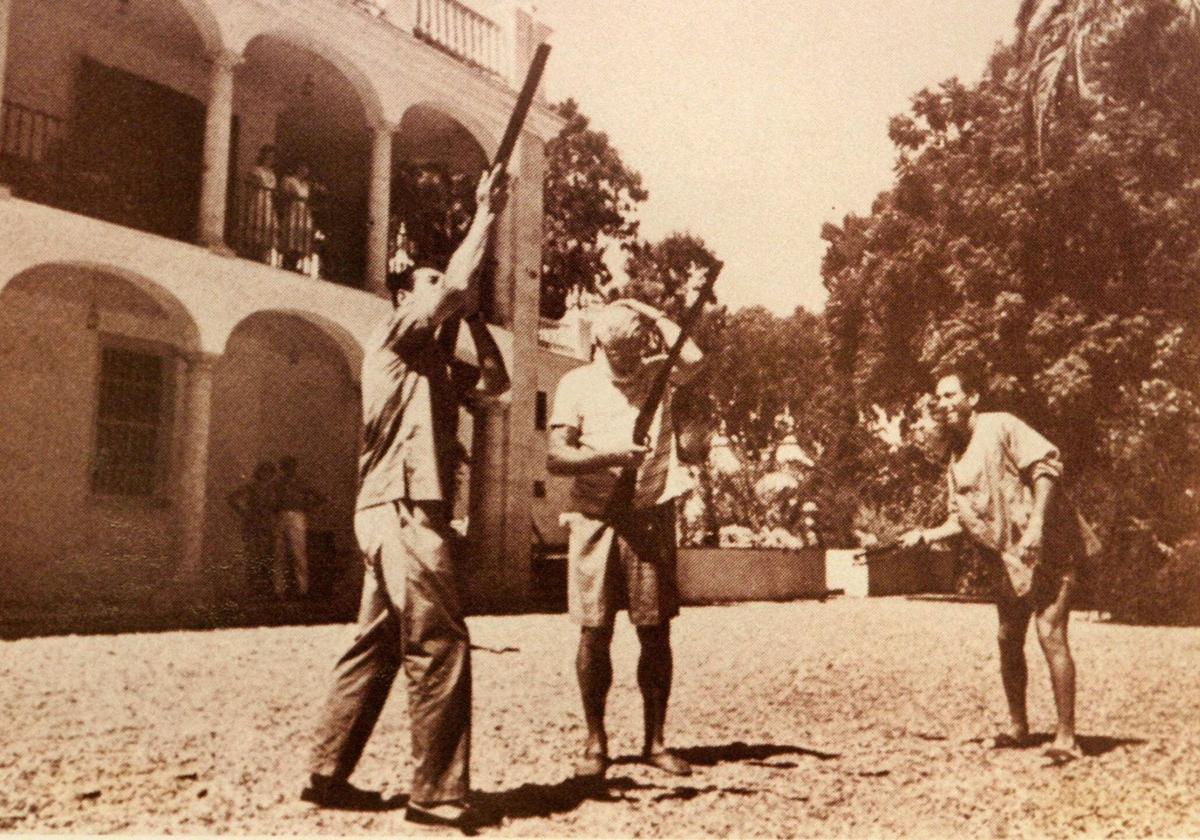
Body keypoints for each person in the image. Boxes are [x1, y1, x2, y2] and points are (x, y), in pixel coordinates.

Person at [302, 164, 508, 830]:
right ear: (402, 298)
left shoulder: (438, 369)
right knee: (440, 642)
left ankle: (327, 773)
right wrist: (485, 211)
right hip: (403, 509)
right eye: (427, 284)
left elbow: (498, 385)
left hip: (393, 511)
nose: (444, 293)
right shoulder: (391, 339)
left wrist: (473, 321)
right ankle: (437, 794)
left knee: (378, 643)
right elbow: (451, 286)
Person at [897, 370, 1100, 765]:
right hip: (1012, 560)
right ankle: (1019, 727)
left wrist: (1038, 524)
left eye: (952, 394)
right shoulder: (955, 462)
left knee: (1049, 633)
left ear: (972, 397)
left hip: (1053, 545)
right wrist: (925, 534)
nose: (944, 402)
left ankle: (1066, 738)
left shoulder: (1002, 425)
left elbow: (1046, 467)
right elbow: (961, 520)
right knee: (1008, 637)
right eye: (939, 397)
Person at [547, 294, 706, 780]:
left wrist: (645, 308)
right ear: (599, 344)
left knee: (655, 632)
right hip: (595, 517)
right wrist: (610, 455)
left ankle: (655, 741)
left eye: (639, 346)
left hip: (649, 516)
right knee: (594, 632)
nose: (632, 358)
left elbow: (696, 360)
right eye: (622, 351)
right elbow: (556, 457)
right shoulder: (575, 384)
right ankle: (596, 744)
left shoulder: (659, 371)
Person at [272, 456, 324, 599]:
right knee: (279, 552)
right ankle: (279, 590)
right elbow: (272, 500)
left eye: (290, 466)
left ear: (294, 467)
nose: (288, 469)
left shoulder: (302, 482)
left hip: (297, 516)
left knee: (298, 552)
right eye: (285, 466)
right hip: (280, 516)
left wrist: (305, 507)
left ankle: (303, 589)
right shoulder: (277, 483)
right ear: (282, 468)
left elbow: (320, 498)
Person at [226, 460, 278, 599]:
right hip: (253, 524)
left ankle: (267, 588)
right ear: (258, 472)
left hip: (268, 524)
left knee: (268, 555)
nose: (265, 474)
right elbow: (231, 498)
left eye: (268, 471)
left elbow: (278, 505)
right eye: (263, 471)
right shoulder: (251, 486)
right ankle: (252, 587)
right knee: (253, 554)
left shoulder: (274, 488)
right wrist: (243, 512)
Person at [242, 145, 278, 264]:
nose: (270, 158)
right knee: (257, 224)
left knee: (268, 226)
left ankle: (263, 256)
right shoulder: (256, 170)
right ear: (263, 156)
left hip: (268, 202)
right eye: (268, 155)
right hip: (258, 200)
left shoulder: (272, 173)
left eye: (273, 156)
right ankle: (252, 254)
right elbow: (251, 183)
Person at [279, 160, 316, 273]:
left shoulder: (305, 184)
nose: (305, 171)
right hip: (293, 209)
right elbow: (284, 194)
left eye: (306, 169)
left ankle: (296, 262)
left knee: (302, 234)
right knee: (291, 233)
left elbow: (306, 198)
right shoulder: (289, 180)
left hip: (303, 211)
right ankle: (287, 262)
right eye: (302, 167)